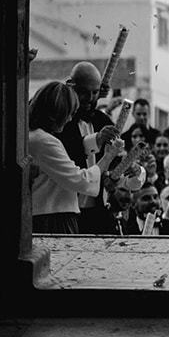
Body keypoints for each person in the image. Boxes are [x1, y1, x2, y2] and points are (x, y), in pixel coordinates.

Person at [29, 81, 124, 234]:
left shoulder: (33, 136)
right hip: (53, 219)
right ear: (57, 113)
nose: (68, 121)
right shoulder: (44, 141)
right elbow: (80, 180)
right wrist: (108, 157)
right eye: (70, 114)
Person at [59, 61, 116, 233]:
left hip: (99, 211)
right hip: (67, 211)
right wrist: (96, 139)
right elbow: (67, 150)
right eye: (83, 92)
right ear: (71, 86)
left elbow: (115, 162)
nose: (90, 99)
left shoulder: (103, 121)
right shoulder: (62, 121)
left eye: (95, 92)